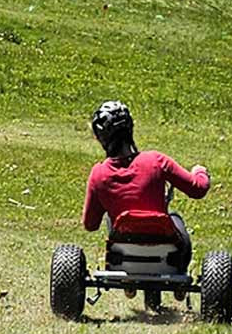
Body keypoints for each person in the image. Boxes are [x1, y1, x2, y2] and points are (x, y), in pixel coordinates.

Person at [82, 101, 209, 247]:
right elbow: (198, 188)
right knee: (175, 219)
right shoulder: (156, 161)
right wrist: (200, 171)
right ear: (130, 128)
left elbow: (90, 224)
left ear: (101, 137)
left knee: (112, 221)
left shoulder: (98, 174)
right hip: (165, 250)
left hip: (122, 252)